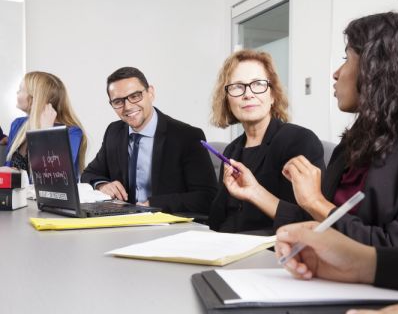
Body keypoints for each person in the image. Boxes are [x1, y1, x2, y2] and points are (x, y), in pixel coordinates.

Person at [277, 12, 398, 253]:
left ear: (378, 69)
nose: (336, 73)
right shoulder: (357, 139)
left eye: (346, 58)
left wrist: (316, 203)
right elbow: (320, 220)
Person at [208, 49, 325, 234]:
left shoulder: (299, 141)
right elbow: (216, 222)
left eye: (258, 84)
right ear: (227, 99)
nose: (248, 94)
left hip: (274, 252)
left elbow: (310, 221)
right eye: (238, 86)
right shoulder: (231, 151)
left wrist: (256, 194)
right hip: (227, 248)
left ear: (272, 95)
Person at [81, 67, 217, 214]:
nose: (128, 107)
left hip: (169, 224)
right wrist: (102, 185)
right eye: (118, 101)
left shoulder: (187, 136)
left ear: (150, 92)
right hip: (123, 222)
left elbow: (206, 197)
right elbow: (89, 173)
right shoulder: (114, 132)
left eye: (135, 96)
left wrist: (153, 204)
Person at [5, 71, 87, 175]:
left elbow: (55, 176)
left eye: (21, 89)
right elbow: (8, 168)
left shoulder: (71, 133)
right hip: (14, 191)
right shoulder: (17, 124)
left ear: (35, 97)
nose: (17, 92)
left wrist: (45, 133)